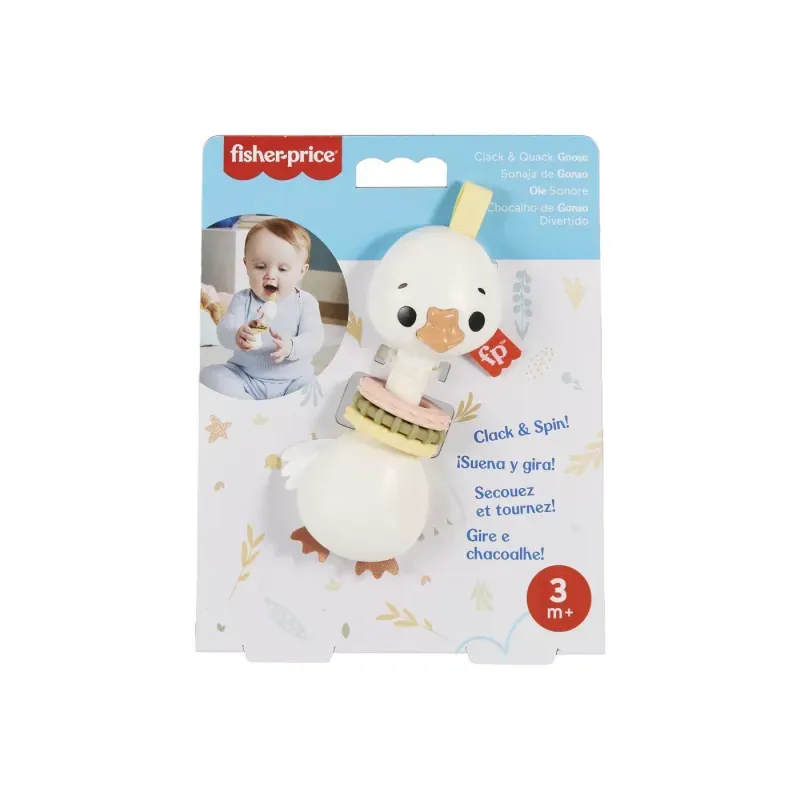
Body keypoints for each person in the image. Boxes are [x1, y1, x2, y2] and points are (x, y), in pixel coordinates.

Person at [200, 218, 324, 400]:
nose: (270, 275)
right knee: (210, 375)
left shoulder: (305, 302)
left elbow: (314, 338)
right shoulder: (242, 300)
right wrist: (237, 335)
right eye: (260, 267)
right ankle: (248, 404)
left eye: (283, 269)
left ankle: (280, 406)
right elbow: (223, 331)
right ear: (246, 265)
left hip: (293, 379)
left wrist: (291, 347)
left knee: (314, 387)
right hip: (245, 376)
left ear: (301, 272)